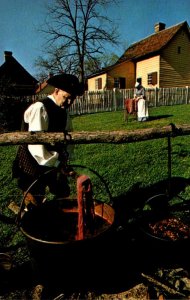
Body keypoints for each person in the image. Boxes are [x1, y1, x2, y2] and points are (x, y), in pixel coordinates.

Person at [12, 73, 83, 210]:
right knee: (34, 201)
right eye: (67, 98)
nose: (69, 103)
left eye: (72, 99)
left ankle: (62, 217)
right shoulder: (40, 108)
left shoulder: (64, 112)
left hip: (52, 159)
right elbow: (36, 146)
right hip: (32, 160)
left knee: (63, 192)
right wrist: (56, 164)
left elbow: (68, 138)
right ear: (56, 91)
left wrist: (66, 160)